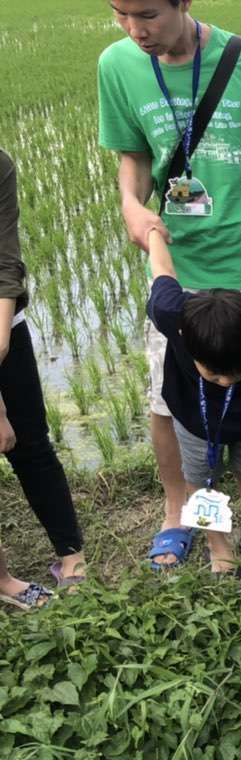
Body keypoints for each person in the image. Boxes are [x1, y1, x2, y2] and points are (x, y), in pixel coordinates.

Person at [99, 0, 241, 572]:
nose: (135, 29)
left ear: (184, 2)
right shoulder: (118, 65)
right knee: (166, 398)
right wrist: (131, 204)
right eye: (120, 14)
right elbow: (133, 156)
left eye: (147, 13)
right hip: (180, 271)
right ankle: (178, 511)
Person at [146, 224, 241, 577]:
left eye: (240, 370)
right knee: (199, 480)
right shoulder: (172, 314)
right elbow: (163, 272)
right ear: (184, 338)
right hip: (194, 421)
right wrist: (154, 234)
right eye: (214, 375)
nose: (226, 381)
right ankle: (218, 547)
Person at [0, 149, 87, 603]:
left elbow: (4, 263)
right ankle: (3, 580)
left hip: (1, 321)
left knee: (31, 442)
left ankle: (70, 551)